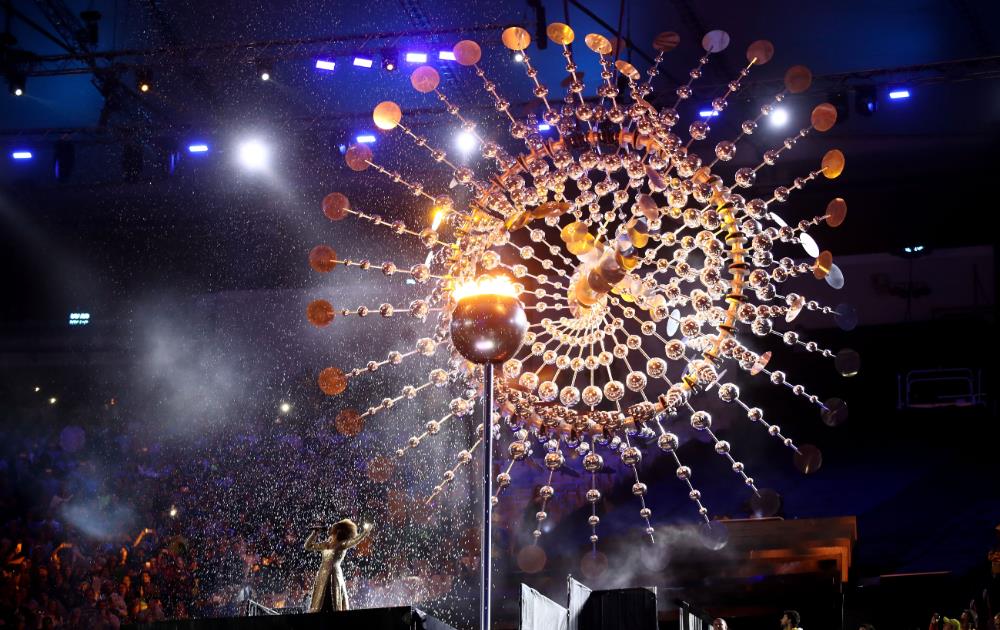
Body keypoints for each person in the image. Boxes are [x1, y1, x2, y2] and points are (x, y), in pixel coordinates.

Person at [304, 519, 372, 613]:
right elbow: (307, 546)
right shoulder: (326, 544)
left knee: (332, 597)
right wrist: (315, 534)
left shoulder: (342, 545)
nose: (331, 530)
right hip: (322, 575)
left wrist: (365, 532)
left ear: (338, 531)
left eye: (333, 529)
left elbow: (355, 540)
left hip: (334, 574)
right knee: (320, 599)